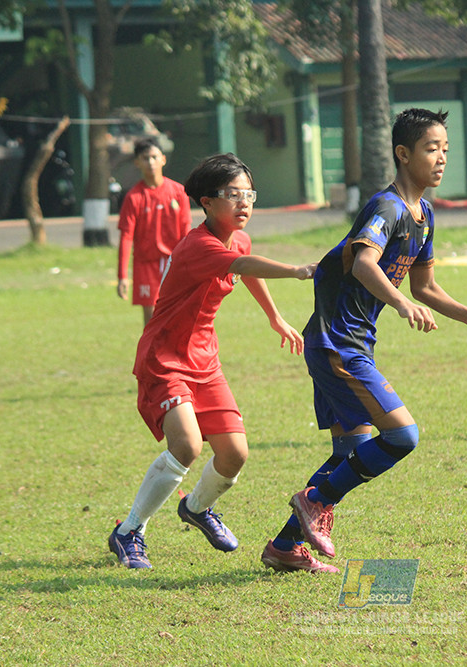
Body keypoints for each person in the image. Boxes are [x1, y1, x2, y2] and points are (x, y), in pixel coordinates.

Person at [260, 108, 467, 575]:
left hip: (351, 342)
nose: (441, 158)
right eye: (430, 149)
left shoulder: (424, 215)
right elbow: (363, 263)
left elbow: (426, 288)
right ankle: (315, 500)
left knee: (348, 453)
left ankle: (284, 546)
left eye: (445, 149)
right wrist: (399, 304)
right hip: (338, 343)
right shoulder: (387, 207)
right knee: (401, 436)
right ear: (403, 154)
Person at [108, 153, 317, 569]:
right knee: (185, 444)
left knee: (234, 454)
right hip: (165, 356)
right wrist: (297, 270)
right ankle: (129, 531)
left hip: (205, 359)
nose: (245, 203)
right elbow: (240, 264)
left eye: (249, 194)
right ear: (207, 201)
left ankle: (198, 508)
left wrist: (275, 317)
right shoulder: (198, 245)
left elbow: (245, 266)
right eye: (233, 195)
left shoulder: (238, 238)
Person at [117, 138, 193, 326]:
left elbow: (186, 233)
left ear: (163, 159)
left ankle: (176, 355)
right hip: (146, 265)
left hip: (174, 262)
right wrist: (122, 276)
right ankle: (150, 356)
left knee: (179, 313)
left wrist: (189, 265)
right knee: (151, 319)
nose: (150, 162)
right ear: (137, 163)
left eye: (154, 157)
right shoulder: (134, 197)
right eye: (145, 158)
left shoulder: (178, 192)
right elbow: (126, 237)